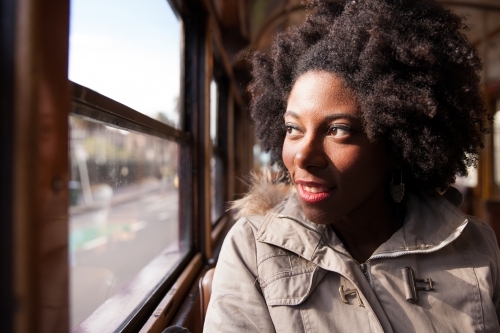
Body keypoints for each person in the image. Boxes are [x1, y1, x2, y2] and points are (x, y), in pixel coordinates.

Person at [204, 0, 500, 332]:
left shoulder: (475, 245)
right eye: (293, 129)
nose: (302, 156)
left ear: (396, 142)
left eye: (338, 130)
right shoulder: (251, 251)